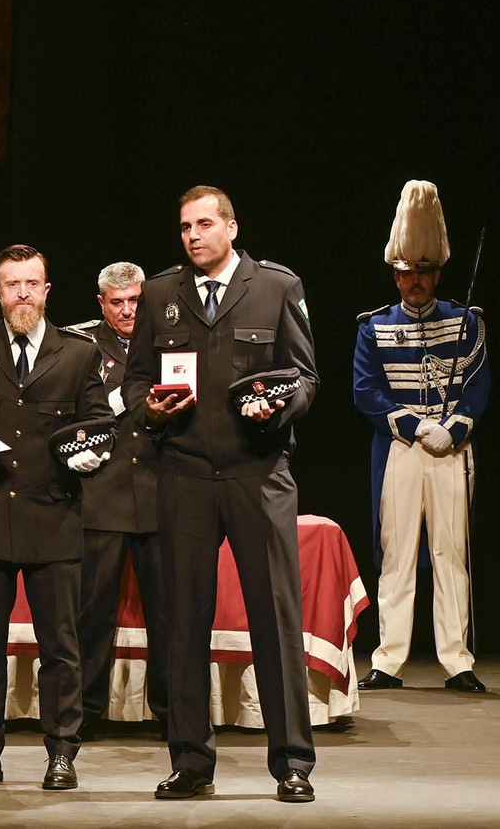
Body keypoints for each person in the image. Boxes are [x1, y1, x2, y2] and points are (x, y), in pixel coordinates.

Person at [122, 185, 318, 803]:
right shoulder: (160, 293)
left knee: (275, 618)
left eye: (205, 224)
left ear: (232, 227)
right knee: (183, 620)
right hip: (183, 475)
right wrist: (149, 410)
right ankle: (191, 761)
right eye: (184, 227)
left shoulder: (277, 286)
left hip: (258, 475)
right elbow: (132, 383)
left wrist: (279, 404)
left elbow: (305, 376)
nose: (193, 235)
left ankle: (291, 763)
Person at [0, 245, 111, 791]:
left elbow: (101, 420)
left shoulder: (78, 352)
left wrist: (91, 452)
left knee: (60, 646)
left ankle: (61, 754)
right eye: (13, 284)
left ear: (48, 289)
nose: (24, 293)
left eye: (33, 283)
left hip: (52, 516)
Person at [353, 180, 492, 694]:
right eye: (407, 272)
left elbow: (478, 387)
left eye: (424, 271)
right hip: (401, 449)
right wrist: (416, 426)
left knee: (452, 552)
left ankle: (457, 660)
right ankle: (389, 659)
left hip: (451, 448)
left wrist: (453, 428)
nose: (416, 281)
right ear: (395, 273)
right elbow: (366, 392)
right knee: (397, 551)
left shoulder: (466, 322)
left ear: (437, 272)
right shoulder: (373, 327)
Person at [67, 261, 169, 739]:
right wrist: (71, 454)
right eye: (118, 302)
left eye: (135, 301)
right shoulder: (79, 347)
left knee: (170, 615)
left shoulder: (171, 337)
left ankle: (173, 714)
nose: (129, 311)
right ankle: (82, 714)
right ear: (101, 304)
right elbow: (62, 416)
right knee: (91, 614)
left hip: (160, 493)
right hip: (101, 495)